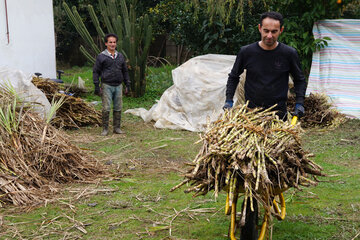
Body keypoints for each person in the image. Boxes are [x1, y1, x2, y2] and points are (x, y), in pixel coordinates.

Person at [223, 11, 306, 120]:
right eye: (266, 31)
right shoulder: (246, 52)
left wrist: (299, 103)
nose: (269, 36)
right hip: (251, 115)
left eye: (274, 31)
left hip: (278, 116)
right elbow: (234, 77)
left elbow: (299, 80)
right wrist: (229, 100)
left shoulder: (289, 54)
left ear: (281, 30)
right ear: (259, 28)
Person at [93, 33, 130, 136]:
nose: (112, 44)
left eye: (114, 42)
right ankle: (105, 129)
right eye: (110, 42)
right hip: (106, 86)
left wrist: (127, 84)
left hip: (118, 85)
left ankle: (117, 128)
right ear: (106, 43)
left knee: (118, 107)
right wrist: (96, 85)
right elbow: (96, 72)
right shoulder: (101, 57)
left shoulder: (120, 56)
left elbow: (125, 71)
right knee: (106, 108)